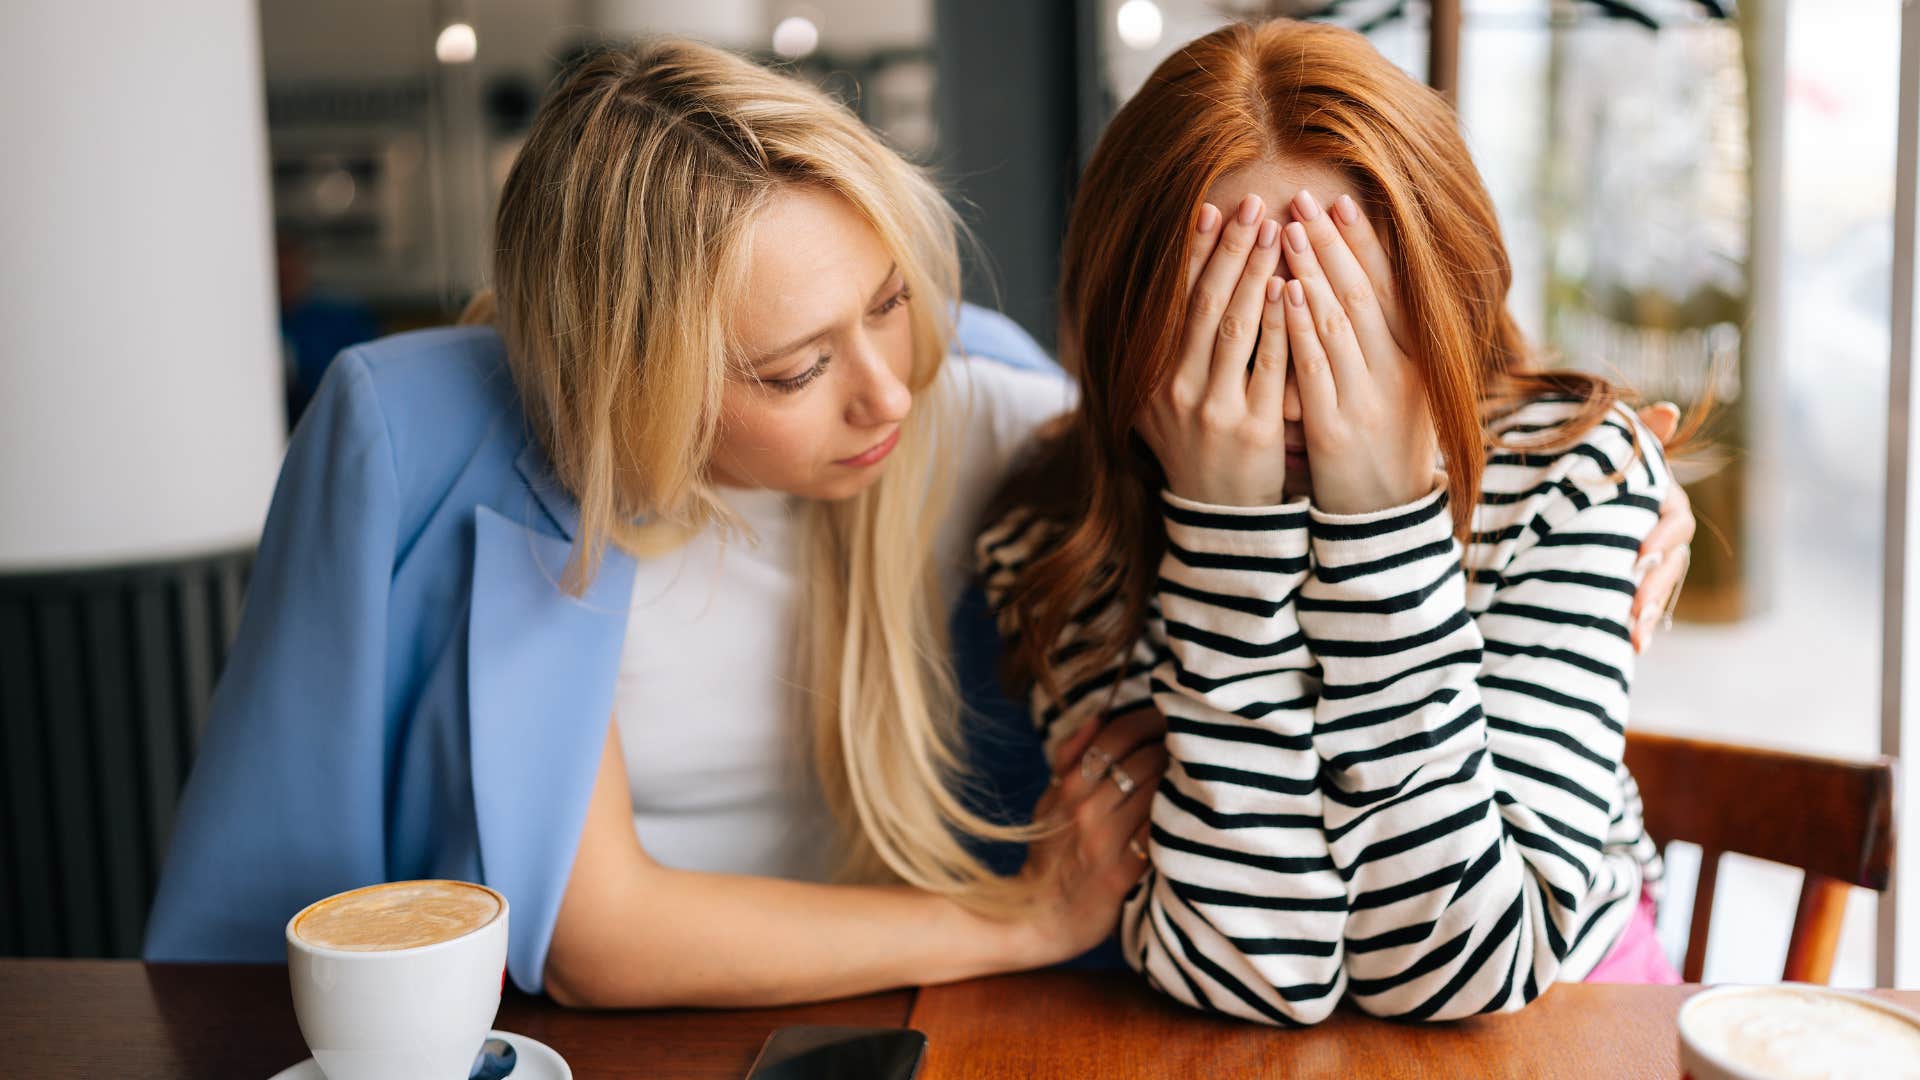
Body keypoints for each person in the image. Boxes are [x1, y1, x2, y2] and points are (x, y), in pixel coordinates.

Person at [144, 38, 1163, 1008]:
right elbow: (595, 935)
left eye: (890, 301)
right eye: (795, 370)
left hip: (920, 1015)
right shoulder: (417, 432)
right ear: (637, 381)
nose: (887, 393)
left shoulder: (973, 396)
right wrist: (1018, 925)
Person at [978, 18, 1699, 1026]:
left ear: (1449, 294)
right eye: (1229, 324)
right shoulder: (1061, 539)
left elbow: (1467, 975)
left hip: (1571, 1030)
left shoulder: (1568, 477)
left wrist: (1383, 527)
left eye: (1345, 315)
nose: (1296, 391)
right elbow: (1254, 974)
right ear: (1125, 326)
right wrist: (1225, 541)